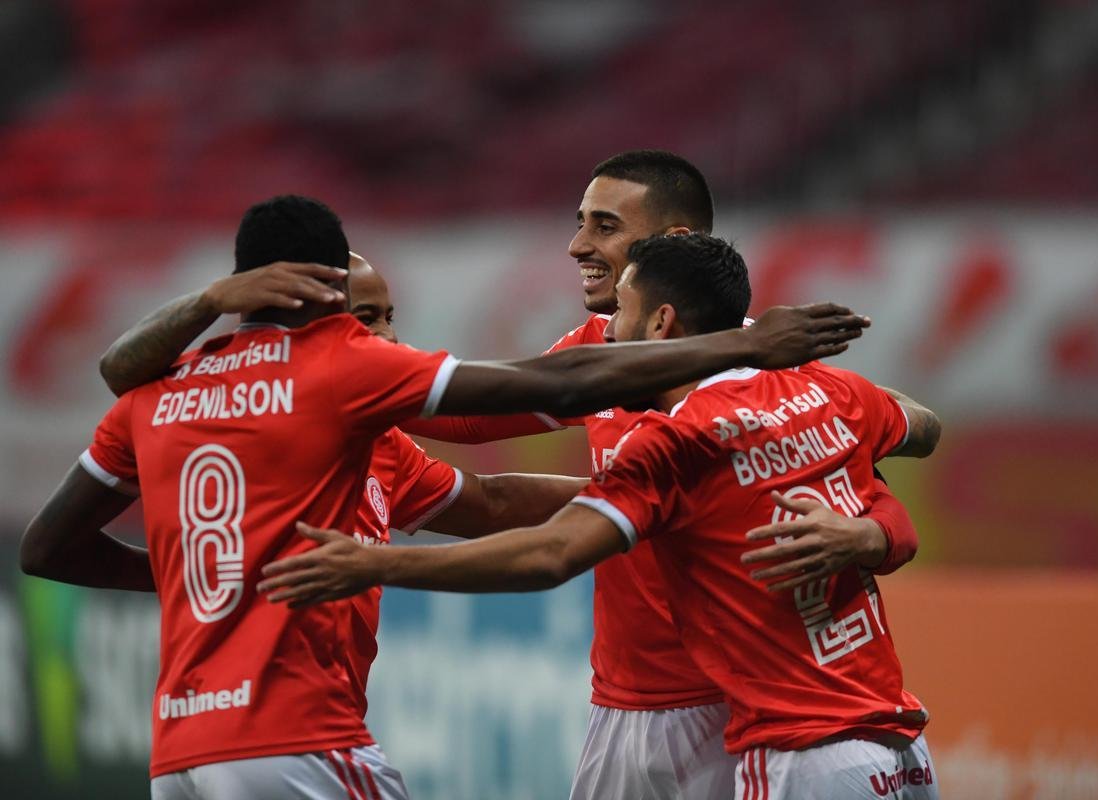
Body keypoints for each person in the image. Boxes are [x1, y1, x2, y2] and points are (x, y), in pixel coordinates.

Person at [20, 195, 871, 800]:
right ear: (314, 289)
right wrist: (744, 346)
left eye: (386, 315)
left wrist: (656, 504)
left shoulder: (156, 395)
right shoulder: (339, 369)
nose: (382, 333)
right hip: (296, 742)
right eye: (365, 310)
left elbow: (47, 548)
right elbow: (555, 388)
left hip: (179, 757)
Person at [259, 233, 942, 799]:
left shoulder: (675, 445)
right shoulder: (833, 391)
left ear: (660, 324)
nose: (605, 328)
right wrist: (870, 531)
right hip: (903, 753)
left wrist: (374, 564)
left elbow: (549, 556)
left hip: (800, 759)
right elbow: (916, 434)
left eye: (619, 310)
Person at [397, 150, 925, 799]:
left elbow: (898, 441)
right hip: (647, 707)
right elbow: (470, 421)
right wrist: (348, 392)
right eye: (581, 222)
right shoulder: (604, 350)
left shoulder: (769, 361)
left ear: (673, 244)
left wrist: (869, 527)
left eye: (605, 226)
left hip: (754, 708)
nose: (578, 245)